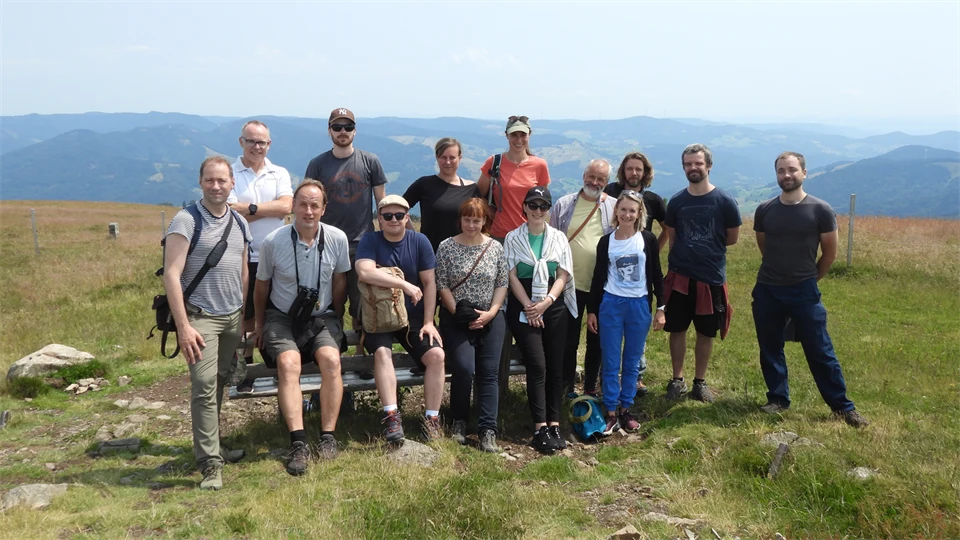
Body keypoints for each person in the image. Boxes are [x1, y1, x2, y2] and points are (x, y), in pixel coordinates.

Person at [752, 152, 869, 428]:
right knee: (770, 347)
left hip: (804, 291)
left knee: (820, 350)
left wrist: (810, 279)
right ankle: (777, 399)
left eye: (792, 169)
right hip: (767, 289)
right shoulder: (765, 209)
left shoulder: (821, 210)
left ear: (804, 173)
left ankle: (843, 407)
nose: (786, 175)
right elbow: (765, 247)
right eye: (781, 170)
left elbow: (830, 254)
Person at [162, 156, 251, 490]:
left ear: (232, 183)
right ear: (201, 182)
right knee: (203, 387)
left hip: (231, 317)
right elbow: (171, 275)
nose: (216, 186)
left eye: (222, 181)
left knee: (219, 382)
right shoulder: (186, 220)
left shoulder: (239, 223)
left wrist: (242, 316)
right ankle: (210, 464)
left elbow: (243, 270)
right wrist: (183, 326)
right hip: (200, 317)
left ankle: (213, 446)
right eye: (210, 180)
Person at [254, 180, 351, 475]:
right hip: (282, 315)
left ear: (324, 209)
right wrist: (260, 324)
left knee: (332, 360)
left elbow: (340, 282)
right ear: (293, 207)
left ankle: (328, 436)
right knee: (288, 363)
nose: (308, 211)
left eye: (314, 205)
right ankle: (298, 442)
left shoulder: (337, 239)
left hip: (321, 315)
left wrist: (336, 316)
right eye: (303, 204)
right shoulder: (273, 241)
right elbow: (261, 287)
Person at [355, 195, 446, 444]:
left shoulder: (419, 241)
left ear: (407, 218)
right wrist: (403, 284)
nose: (393, 220)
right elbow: (364, 271)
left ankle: (432, 419)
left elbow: (429, 283)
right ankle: (392, 417)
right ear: (379, 218)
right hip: (379, 316)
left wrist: (429, 322)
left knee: (437, 356)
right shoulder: (370, 240)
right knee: (382, 353)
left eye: (399, 215)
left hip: (414, 317)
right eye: (387, 216)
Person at [662, 144, 742, 403]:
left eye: (697, 163)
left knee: (706, 332)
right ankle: (677, 379)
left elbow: (732, 238)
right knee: (677, 329)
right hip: (680, 276)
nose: (693, 168)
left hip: (711, 277)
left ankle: (700, 381)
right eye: (688, 164)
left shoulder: (725, 201)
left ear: (709, 166)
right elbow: (673, 237)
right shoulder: (676, 202)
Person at [504, 187, 577, 454]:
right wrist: (529, 307)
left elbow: (563, 274)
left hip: (552, 304)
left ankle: (554, 423)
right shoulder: (512, 238)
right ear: (524, 207)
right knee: (537, 365)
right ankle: (539, 427)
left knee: (556, 365)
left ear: (549, 210)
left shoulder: (559, 238)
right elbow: (511, 275)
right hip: (523, 304)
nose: (538, 211)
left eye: (543, 206)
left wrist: (546, 303)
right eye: (533, 205)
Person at [586, 190, 666, 434]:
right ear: (616, 211)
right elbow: (598, 277)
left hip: (639, 305)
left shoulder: (647, 239)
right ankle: (610, 410)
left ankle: (625, 408)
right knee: (611, 360)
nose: (627, 214)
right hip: (611, 304)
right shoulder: (606, 242)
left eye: (632, 210)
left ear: (639, 213)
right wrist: (592, 311)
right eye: (623, 209)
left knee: (632, 361)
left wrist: (661, 308)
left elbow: (657, 275)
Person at [435, 198, 508, 452]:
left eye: (476, 220)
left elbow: (502, 283)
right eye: (467, 219)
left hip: (490, 316)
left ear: (484, 221)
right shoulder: (446, 246)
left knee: (489, 372)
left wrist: (491, 313)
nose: (471, 225)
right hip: (456, 316)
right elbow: (441, 283)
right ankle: (459, 420)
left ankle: (488, 429)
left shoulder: (495, 248)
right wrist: (459, 314)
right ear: (461, 219)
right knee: (464, 368)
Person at [304, 108, 387, 328]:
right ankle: (331, 343)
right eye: (337, 127)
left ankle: (362, 347)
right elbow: (309, 203)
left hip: (363, 244)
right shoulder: (317, 164)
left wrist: (384, 240)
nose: (343, 131)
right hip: (327, 244)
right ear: (329, 130)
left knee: (364, 305)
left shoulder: (370, 161)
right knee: (328, 304)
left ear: (355, 131)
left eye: (348, 127)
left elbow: (382, 203)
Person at [228, 120, 294, 395]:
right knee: (244, 312)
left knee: (275, 309)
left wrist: (249, 209)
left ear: (269, 144)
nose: (257, 146)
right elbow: (229, 213)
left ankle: (276, 362)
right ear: (241, 142)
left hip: (276, 254)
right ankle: (245, 368)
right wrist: (270, 210)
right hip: (240, 255)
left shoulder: (279, 172)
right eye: (251, 141)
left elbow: (287, 207)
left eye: (262, 142)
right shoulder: (229, 172)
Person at [548, 159, 617, 396]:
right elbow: (552, 242)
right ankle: (567, 386)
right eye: (591, 177)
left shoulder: (613, 207)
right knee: (568, 338)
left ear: (607, 182)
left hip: (601, 285)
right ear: (583, 176)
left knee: (596, 340)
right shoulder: (564, 204)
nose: (595, 182)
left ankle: (590, 387)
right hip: (568, 284)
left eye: (601, 179)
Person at [477, 115, 551, 241]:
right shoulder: (494, 162)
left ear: (529, 135)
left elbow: (543, 202)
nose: (519, 139)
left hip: (530, 233)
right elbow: (478, 195)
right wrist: (490, 214)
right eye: (514, 135)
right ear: (507, 135)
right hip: (501, 234)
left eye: (523, 135)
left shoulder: (540, 165)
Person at [403, 138, 481, 252]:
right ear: (437, 157)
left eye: (452, 157)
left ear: (460, 158)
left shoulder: (471, 189)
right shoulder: (424, 184)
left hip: (464, 254)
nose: (447, 162)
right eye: (443, 157)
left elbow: (480, 222)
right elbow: (399, 209)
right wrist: (415, 236)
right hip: (429, 253)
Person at [604, 152, 668, 251]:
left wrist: (653, 251)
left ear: (645, 172)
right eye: (629, 169)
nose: (634, 173)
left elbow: (667, 229)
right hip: (611, 253)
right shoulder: (609, 191)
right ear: (623, 171)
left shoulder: (653, 200)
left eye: (638, 169)